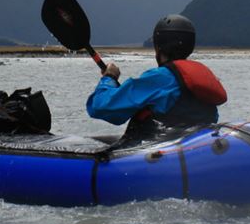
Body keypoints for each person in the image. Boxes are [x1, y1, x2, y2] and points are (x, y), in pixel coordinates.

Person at [87, 14, 227, 141]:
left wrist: (109, 77)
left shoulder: (159, 78)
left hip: (158, 154)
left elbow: (100, 107)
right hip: (195, 149)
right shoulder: (203, 75)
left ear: (158, 47)